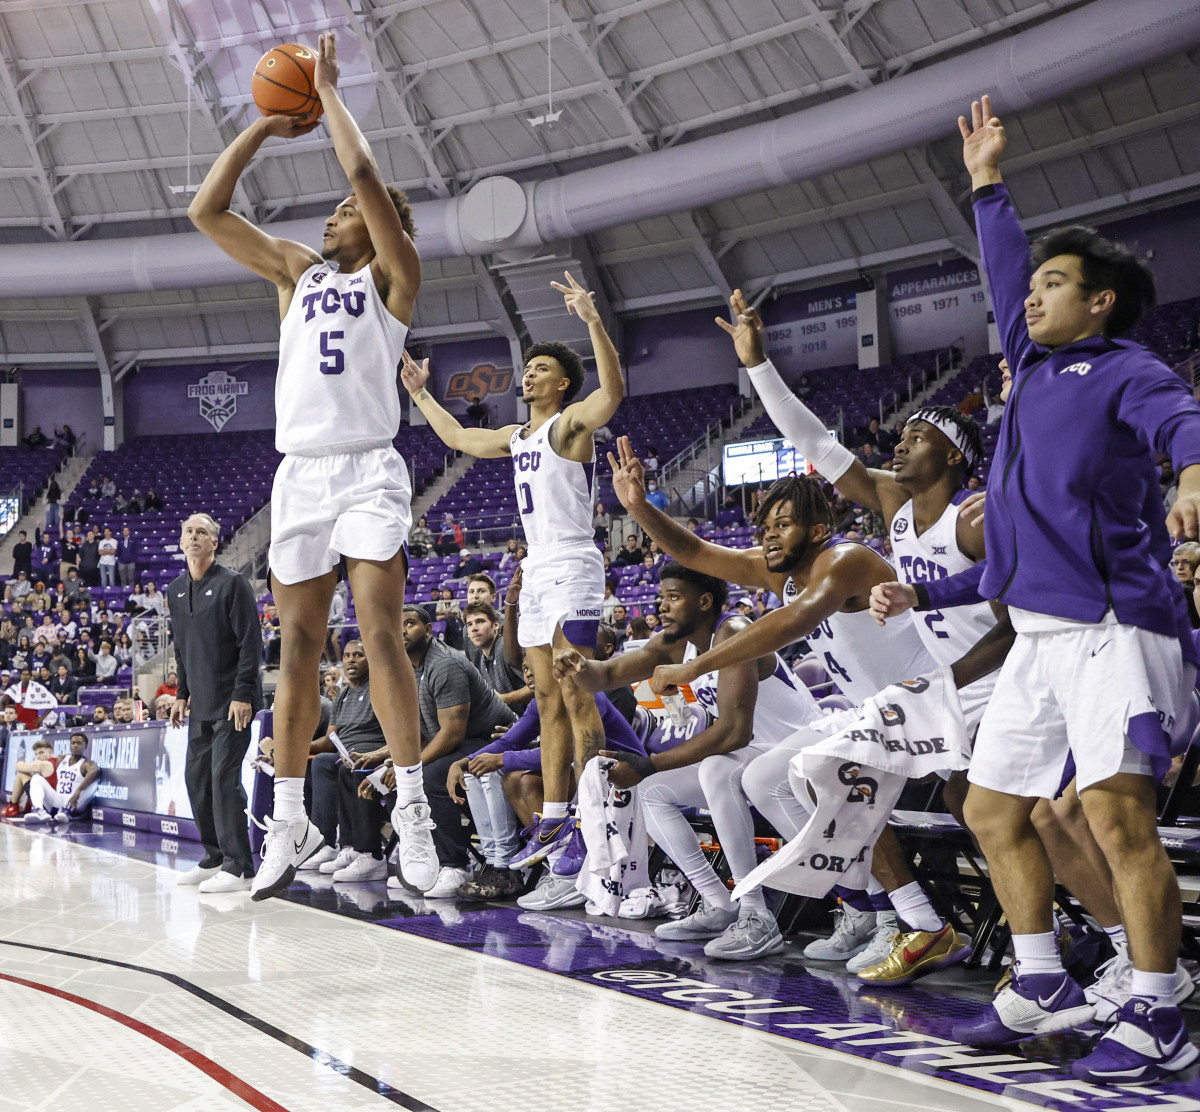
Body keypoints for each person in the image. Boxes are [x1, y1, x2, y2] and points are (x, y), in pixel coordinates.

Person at [741, 310, 1126, 978]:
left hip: (1000, 681)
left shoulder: (973, 522)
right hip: (954, 689)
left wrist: (946, 684)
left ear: (951, 455)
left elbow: (1012, 629)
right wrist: (757, 365)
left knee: (1029, 814)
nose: (899, 443)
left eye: (917, 436)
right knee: (958, 802)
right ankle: (1015, 929)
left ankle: (1085, 936)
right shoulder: (891, 506)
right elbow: (811, 437)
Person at [941, 96, 1200, 1082]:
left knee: (1115, 820)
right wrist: (987, 183)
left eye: (1057, 285)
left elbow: (1185, 423)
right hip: (1040, 637)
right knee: (993, 809)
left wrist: (1192, 478)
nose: (1032, 296)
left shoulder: (1125, 370)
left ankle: (1159, 1006)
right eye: (1036, 285)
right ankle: (1043, 978)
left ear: (1098, 301)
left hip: (1116, 627)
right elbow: (1006, 269)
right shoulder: (1035, 361)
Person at [188, 32, 437, 901]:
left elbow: (368, 183)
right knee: (295, 649)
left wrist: (328, 95)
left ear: (377, 231)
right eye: (330, 210)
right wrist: (264, 125)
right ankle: (286, 820)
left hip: (368, 467)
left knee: (375, 630)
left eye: (341, 212)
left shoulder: (394, 277)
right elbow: (209, 214)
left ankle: (412, 813)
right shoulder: (295, 274)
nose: (329, 216)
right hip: (299, 474)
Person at [608, 444, 977, 982]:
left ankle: (913, 920)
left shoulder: (845, 560)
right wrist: (638, 508)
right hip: (874, 712)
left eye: (784, 524)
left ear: (819, 529)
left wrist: (694, 668)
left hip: (929, 704)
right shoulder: (782, 569)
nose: (769, 536)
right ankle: (870, 908)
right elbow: (697, 554)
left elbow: (793, 622)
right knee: (764, 777)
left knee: (825, 770)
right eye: (764, 527)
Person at [402, 269, 623, 876]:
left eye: (542, 368)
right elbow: (460, 436)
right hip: (538, 568)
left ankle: (592, 817)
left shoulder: (571, 423)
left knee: (575, 693)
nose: (529, 374)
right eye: (526, 368)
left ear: (564, 383)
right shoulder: (517, 435)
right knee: (549, 699)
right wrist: (421, 393)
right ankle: (555, 816)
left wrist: (593, 322)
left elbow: (613, 395)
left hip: (575, 562)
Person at [556, 561, 822, 959]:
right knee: (652, 789)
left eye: (674, 597)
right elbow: (607, 673)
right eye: (661, 597)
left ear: (705, 602)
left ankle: (756, 915)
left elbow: (735, 732)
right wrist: (578, 665)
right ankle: (718, 903)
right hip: (755, 759)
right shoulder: (678, 642)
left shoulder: (731, 632)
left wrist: (650, 761)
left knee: (713, 768)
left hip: (800, 753)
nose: (662, 606)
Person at [168, 514, 264, 894]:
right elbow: (181, 648)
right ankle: (213, 856)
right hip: (200, 703)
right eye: (188, 531)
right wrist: (181, 693)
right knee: (197, 780)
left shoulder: (233, 583)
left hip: (232, 701)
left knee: (224, 778)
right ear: (181, 541)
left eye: (202, 532)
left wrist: (243, 693)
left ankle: (239, 865)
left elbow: (250, 643)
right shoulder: (175, 589)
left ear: (214, 542)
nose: (194, 536)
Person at [401, 606, 516, 896]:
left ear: (428, 630)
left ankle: (454, 864)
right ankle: (414, 857)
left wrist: (411, 767)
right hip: (467, 740)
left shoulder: (443, 664)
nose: (401, 630)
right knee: (396, 776)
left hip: (492, 738)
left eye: (410, 623)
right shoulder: (409, 667)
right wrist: (390, 760)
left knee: (430, 776)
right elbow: (419, 728)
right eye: (397, 625)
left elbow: (452, 733)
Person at [298, 639, 392, 881]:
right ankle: (330, 844)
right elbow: (330, 738)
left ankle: (367, 851)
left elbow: (394, 733)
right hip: (344, 754)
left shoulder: (381, 688)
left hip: (373, 755)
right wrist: (297, 746)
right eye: (347, 655)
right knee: (321, 761)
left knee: (353, 767)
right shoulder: (343, 694)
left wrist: (377, 754)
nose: (350, 659)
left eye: (358, 655)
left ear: (371, 659)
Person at [463, 600, 529, 711]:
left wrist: (506, 699)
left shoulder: (505, 648)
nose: (474, 628)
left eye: (480, 621)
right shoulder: (480, 661)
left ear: (496, 625)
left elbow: (540, 686)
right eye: (469, 624)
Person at [26, 732, 101, 823]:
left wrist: (79, 790)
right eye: (73, 743)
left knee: (94, 782)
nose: (75, 746)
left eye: (79, 743)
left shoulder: (86, 764)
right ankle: (38, 810)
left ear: (85, 746)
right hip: (57, 801)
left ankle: (68, 811)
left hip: (74, 803)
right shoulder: (61, 759)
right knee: (36, 778)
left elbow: (95, 770)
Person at [7, 738, 54, 817]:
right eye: (36, 754)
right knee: (29, 776)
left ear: (50, 752)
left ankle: (13, 805)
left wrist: (20, 762)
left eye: (41, 753)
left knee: (21, 774)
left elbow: (19, 766)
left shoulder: (45, 764)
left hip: (47, 803)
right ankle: (14, 804)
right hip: (52, 800)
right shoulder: (53, 762)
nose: (38, 756)